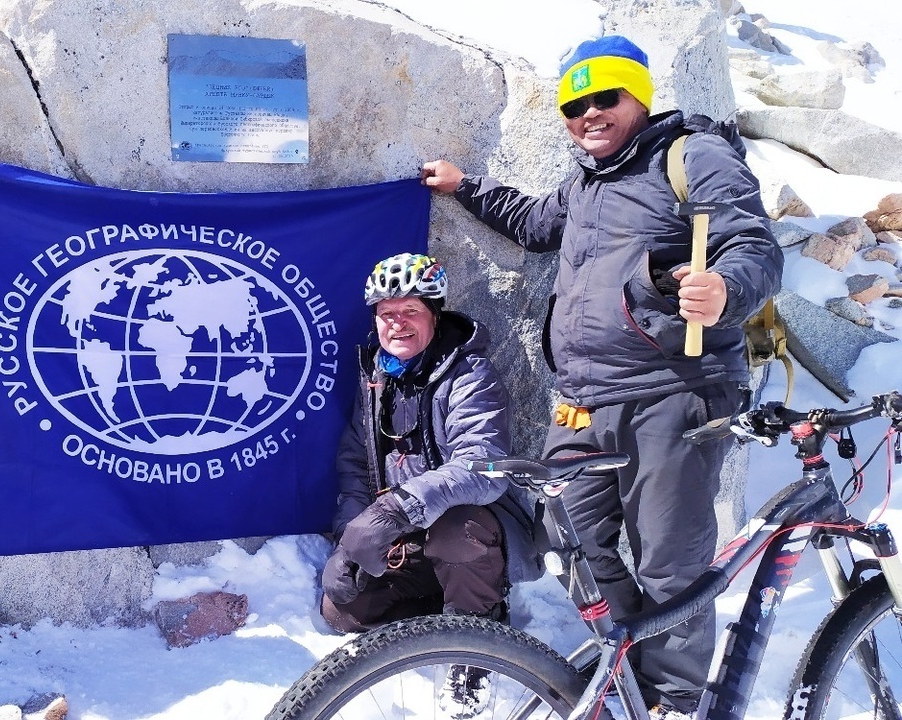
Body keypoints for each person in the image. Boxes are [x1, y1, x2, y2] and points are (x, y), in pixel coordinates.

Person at [421, 35, 783, 717]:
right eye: (574, 104)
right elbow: (534, 224)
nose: (589, 113)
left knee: (669, 558)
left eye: (605, 97)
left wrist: (725, 289)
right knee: (570, 537)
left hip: (673, 389)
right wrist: (465, 186)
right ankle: (631, 659)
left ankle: (671, 699)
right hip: (584, 399)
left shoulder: (691, 156)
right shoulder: (588, 180)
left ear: (638, 97)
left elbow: (752, 244)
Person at [319, 252, 540, 714]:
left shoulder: (470, 374)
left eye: (410, 311)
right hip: (407, 535)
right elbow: (356, 464)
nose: (397, 323)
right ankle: (443, 619)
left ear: (435, 316)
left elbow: (482, 465)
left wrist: (394, 509)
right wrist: (349, 539)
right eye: (386, 314)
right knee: (342, 610)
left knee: (455, 535)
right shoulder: (376, 378)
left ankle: (475, 641)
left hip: (469, 527)